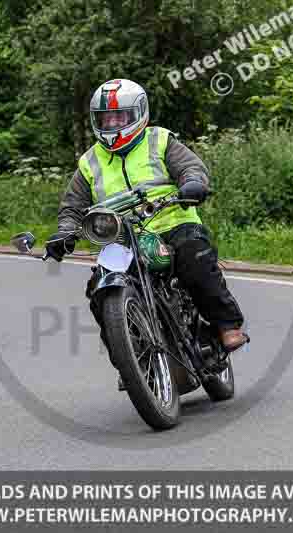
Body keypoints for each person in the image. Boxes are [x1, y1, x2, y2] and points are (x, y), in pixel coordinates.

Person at [47, 79, 248, 354]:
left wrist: (193, 184)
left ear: (139, 113)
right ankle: (130, 355)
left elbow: (191, 167)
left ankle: (227, 324)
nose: (112, 124)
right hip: (121, 239)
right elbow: (72, 206)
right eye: (105, 119)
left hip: (173, 222)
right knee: (99, 289)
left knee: (195, 260)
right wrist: (65, 232)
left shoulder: (159, 140)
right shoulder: (89, 161)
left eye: (119, 116)